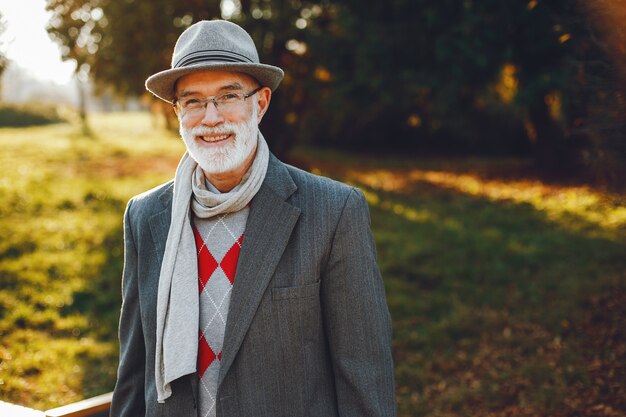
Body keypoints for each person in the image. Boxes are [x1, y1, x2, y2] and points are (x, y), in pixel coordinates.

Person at [110, 19, 396, 417]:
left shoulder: (334, 211)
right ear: (177, 112)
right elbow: (133, 372)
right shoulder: (145, 216)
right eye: (193, 101)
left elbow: (364, 378)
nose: (211, 118)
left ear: (259, 104)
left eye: (227, 96)